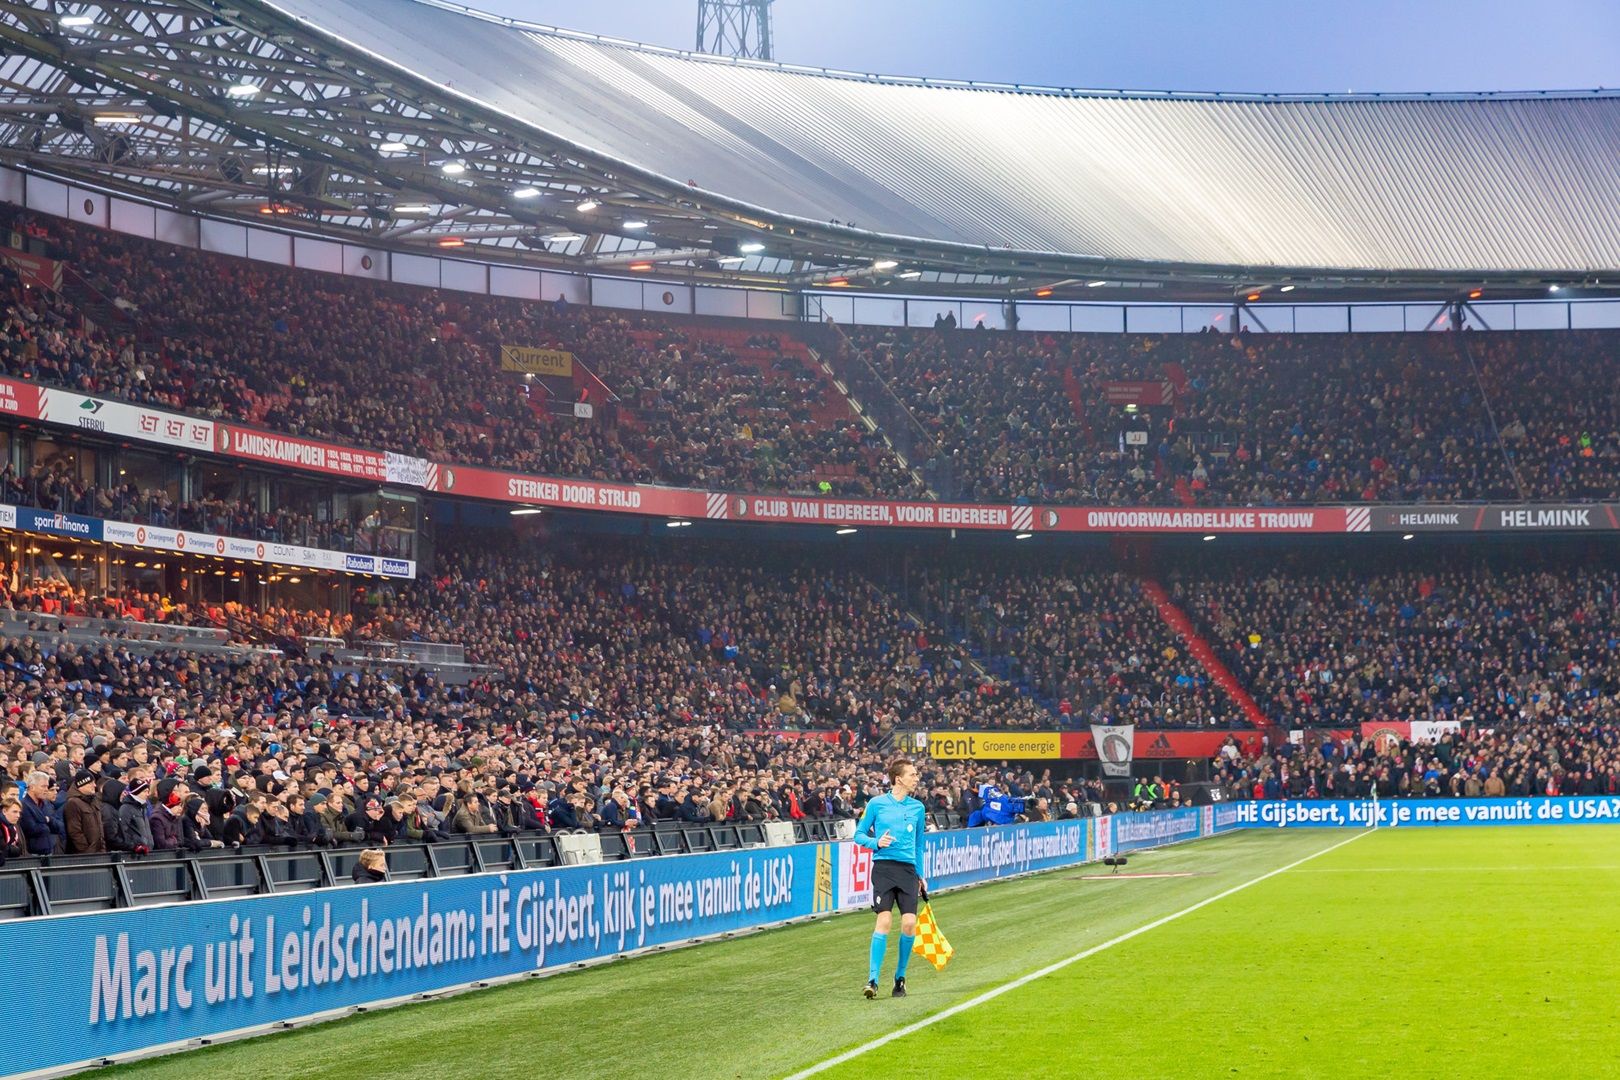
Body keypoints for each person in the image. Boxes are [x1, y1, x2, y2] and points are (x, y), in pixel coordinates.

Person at [852, 756, 928, 1000]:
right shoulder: (876, 803)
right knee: (884, 922)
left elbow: (919, 845)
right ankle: (872, 980)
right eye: (913, 774)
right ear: (899, 778)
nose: (916, 778)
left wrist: (920, 874)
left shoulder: (918, 808)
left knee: (908, 924)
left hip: (907, 871)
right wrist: (876, 842)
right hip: (883, 869)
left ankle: (900, 978)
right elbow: (858, 835)